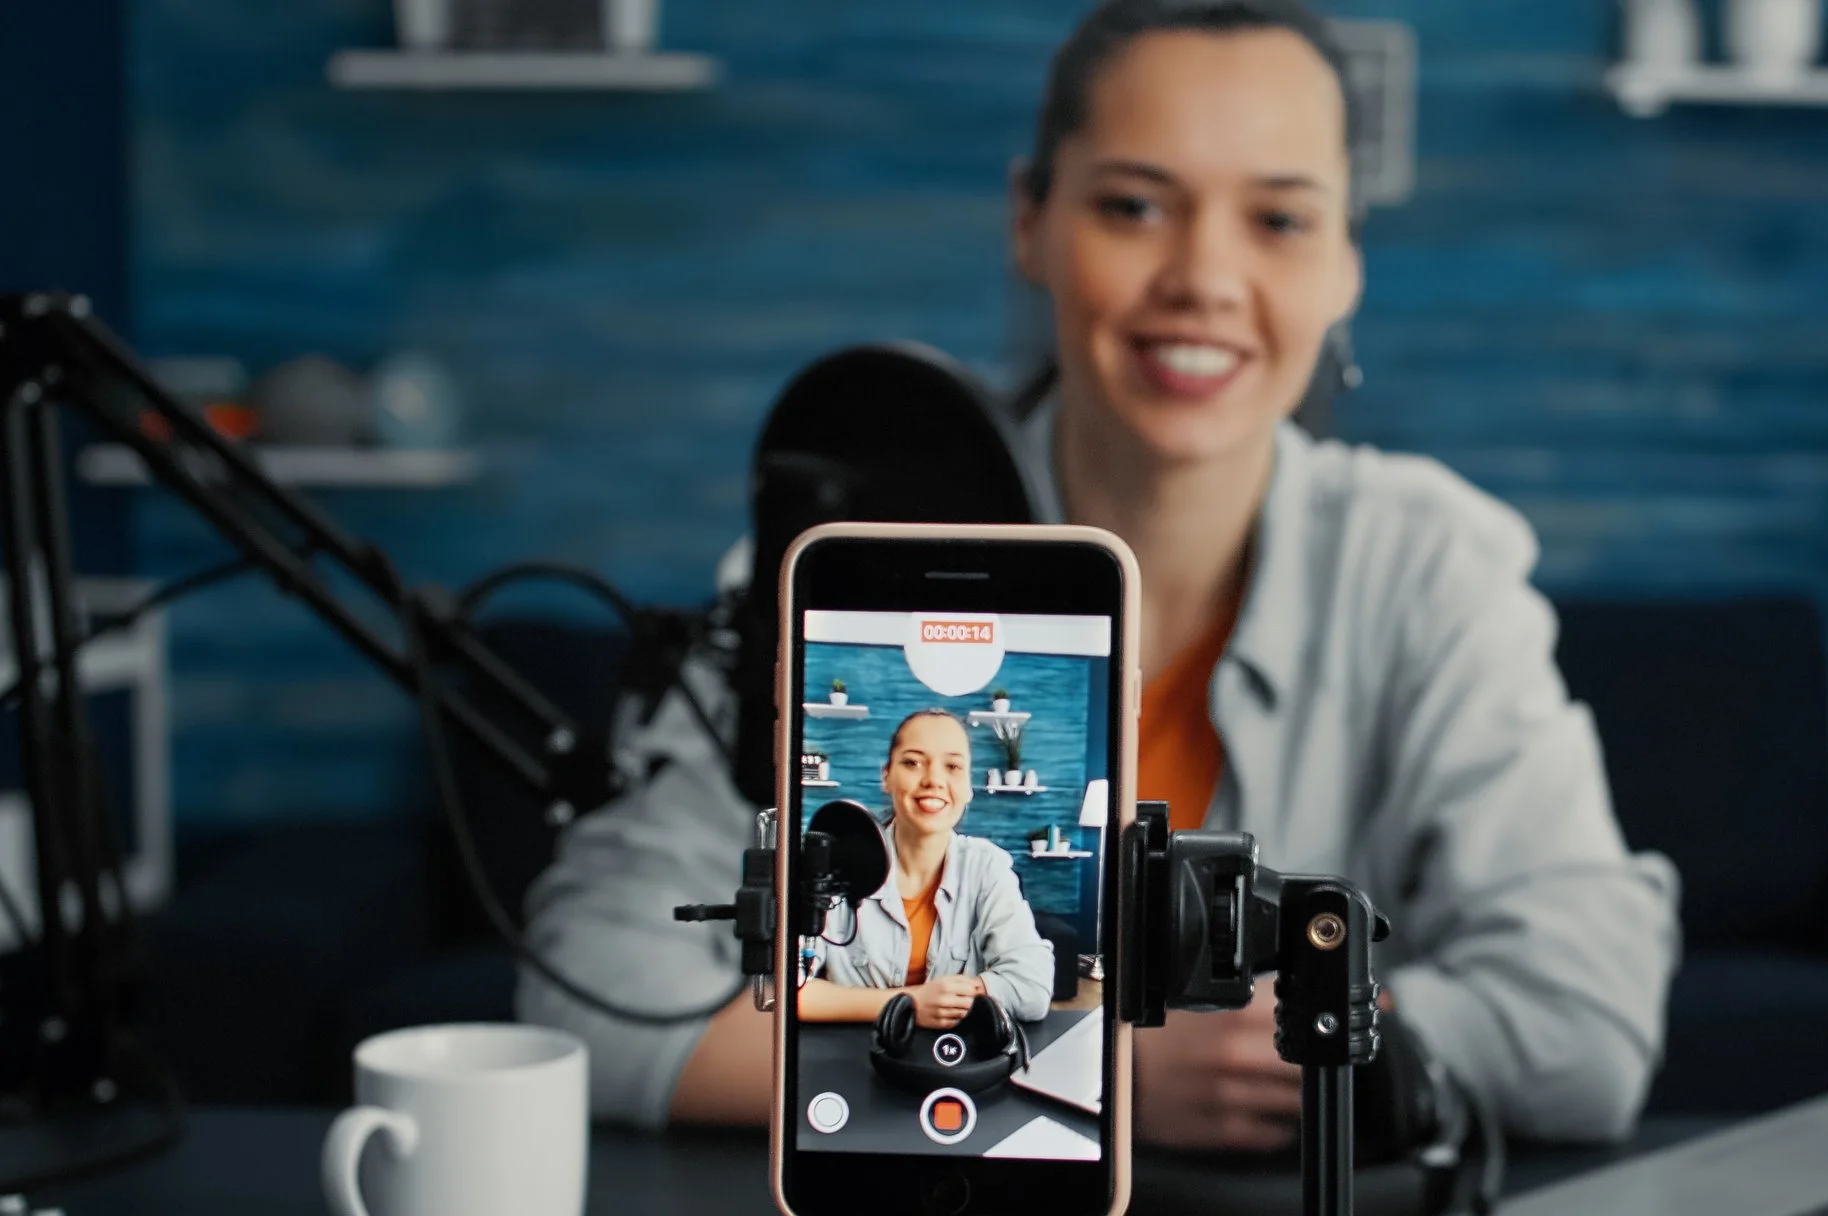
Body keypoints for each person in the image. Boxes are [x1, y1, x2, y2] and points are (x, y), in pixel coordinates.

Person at [521, 0, 1679, 1149]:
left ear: (1344, 269)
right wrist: (1089, 1067)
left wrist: (1283, 1043)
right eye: (1133, 205)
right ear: (1031, 222)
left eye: (1278, 219)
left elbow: (1583, 1021)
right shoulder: (847, 556)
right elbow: (593, 988)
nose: (1204, 278)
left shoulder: (1428, 566)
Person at [795, 709, 1054, 1028]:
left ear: (969, 786)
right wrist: (912, 1003)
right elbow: (786, 990)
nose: (934, 780)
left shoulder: (988, 866)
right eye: (913, 762)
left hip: (957, 1062)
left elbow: (1032, 989)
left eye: (953, 766)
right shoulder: (836, 861)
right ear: (886, 776)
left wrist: (944, 1000)